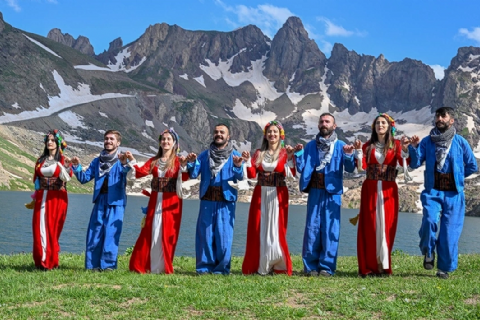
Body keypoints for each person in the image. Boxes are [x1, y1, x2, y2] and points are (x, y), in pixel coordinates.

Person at [408, 107, 478, 279]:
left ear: (451, 120)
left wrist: (457, 177)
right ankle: (428, 251)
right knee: (429, 220)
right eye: (437, 116)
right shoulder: (426, 141)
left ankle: (444, 268)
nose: (439, 118)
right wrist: (413, 147)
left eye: (443, 116)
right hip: (433, 191)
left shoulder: (461, 142)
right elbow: (416, 163)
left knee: (449, 232)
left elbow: (472, 166)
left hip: (454, 194)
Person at [294, 113, 356, 277]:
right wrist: (298, 155)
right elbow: (301, 168)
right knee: (311, 228)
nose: (324, 124)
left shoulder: (341, 145)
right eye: (321, 121)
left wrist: (349, 155)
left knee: (330, 229)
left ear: (334, 126)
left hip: (332, 193)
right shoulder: (310, 146)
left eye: (327, 122)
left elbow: (350, 168)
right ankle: (310, 267)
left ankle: (326, 267)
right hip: (315, 191)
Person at [71, 130, 136, 271]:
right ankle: (92, 266)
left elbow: (129, 176)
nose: (108, 141)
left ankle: (108, 266)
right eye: (106, 138)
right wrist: (76, 167)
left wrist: (126, 164)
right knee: (95, 232)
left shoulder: (122, 160)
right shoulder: (97, 161)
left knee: (111, 233)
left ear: (118, 143)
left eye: (112, 139)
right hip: (100, 200)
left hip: (116, 202)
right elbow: (84, 179)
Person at [355, 113, 410, 277]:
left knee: (386, 225)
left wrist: (406, 150)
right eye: (377, 123)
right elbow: (360, 168)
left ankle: (384, 266)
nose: (380, 125)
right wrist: (358, 153)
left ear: (390, 126)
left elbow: (403, 163)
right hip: (370, 189)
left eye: (383, 123)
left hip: (388, 190)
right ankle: (370, 266)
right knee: (371, 226)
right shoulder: (367, 146)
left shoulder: (397, 145)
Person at [128, 129, 189, 274]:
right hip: (155, 200)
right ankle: (146, 265)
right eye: (163, 139)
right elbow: (140, 172)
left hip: (171, 202)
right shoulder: (154, 161)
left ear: (175, 143)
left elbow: (185, 177)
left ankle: (163, 266)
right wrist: (132, 160)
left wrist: (184, 165)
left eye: (169, 139)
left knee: (167, 232)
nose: (165, 142)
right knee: (151, 229)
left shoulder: (177, 161)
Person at [187, 123, 244, 275]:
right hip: (207, 200)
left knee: (224, 235)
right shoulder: (204, 155)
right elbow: (193, 174)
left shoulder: (235, 155)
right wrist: (191, 163)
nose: (218, 134)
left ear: (228, 136)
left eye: (222, 132)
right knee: (205, 235)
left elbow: (240, 177)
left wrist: (238, 166)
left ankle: (222, 268)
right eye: (216, 132)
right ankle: (204, 268)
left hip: (226, 201)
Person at [241, 120, 295, 276]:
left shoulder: (285, 153)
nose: (272, 134)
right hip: (261, 193)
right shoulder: (259, 153)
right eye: (269, 132)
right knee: (260, 226)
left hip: (278, 194)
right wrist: (247, 161)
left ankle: (277, 263)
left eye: (275, 132)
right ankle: (261, 264)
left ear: (280, 136)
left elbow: (290, 174)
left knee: (276, 228)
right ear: (265, 135)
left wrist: (291, 158)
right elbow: (252, 175)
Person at [28, 130, 71, 270]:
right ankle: (41, 260)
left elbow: (67, 176)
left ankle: (51, 261)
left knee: (52, 229)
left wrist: (66, 166)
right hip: (41, 197)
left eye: (53, 140)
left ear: (58, 143)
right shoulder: (40, 160)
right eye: (48, 140)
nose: (50, 142)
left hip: (57, 198)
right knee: (38, 228)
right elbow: (36, 179)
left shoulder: (63, 160)